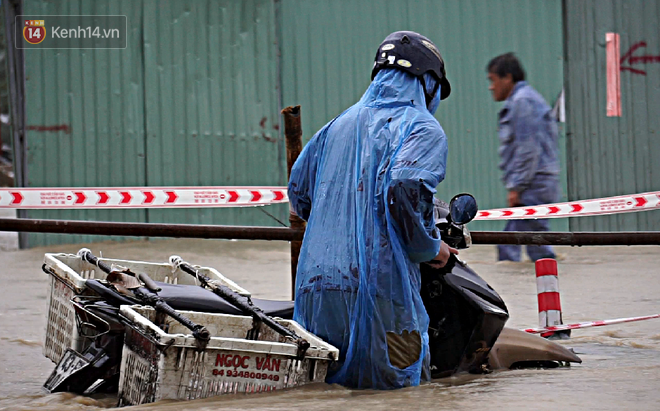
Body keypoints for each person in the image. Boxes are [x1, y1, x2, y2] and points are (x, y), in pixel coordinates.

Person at [288, 31, 456, 389]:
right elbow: (405, 188)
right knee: (398, 388)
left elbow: (299, 193)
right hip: (380, 289)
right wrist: (430, 247)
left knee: (325, 388)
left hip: (316, 287)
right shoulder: (422, 128)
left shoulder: (335, 126)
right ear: (428, 83)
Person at [486, 53, 560, 262]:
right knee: (525, 241)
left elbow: (528, 149)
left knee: (528, 244)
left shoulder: (523, 102)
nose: (491, 87)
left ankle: (541, 285)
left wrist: (517, 186)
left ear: (507, 77)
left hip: (533, 185)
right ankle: (539, 282)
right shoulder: (526, 99)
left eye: (492, 80)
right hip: (536, 183)